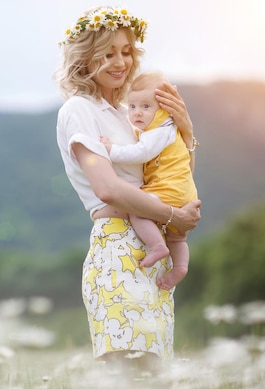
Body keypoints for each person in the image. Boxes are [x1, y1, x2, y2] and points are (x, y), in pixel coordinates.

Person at [54, 6, 201, 369]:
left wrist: (186, 131)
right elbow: (108, 189)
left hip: (154, 251)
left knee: (153, 382)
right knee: (128, 374)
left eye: (126, 51)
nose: (120, 61)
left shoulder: (129, 111)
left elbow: (173, 172)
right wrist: (172, 214)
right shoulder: (79, 109)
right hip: (119, 247)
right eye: (108, 53)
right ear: (85, 58)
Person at [99, 71, 199, 291]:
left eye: (146, 107)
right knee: (177, 239)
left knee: (137, 209)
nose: (137, 113)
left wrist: (110, 150)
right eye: (132, 106)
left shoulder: (160, 132)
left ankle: (156, 247)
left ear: (163, 108)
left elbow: (141, 153)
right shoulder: (165, 130)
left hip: (168, 190)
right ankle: (180, 267)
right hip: (185, 194)